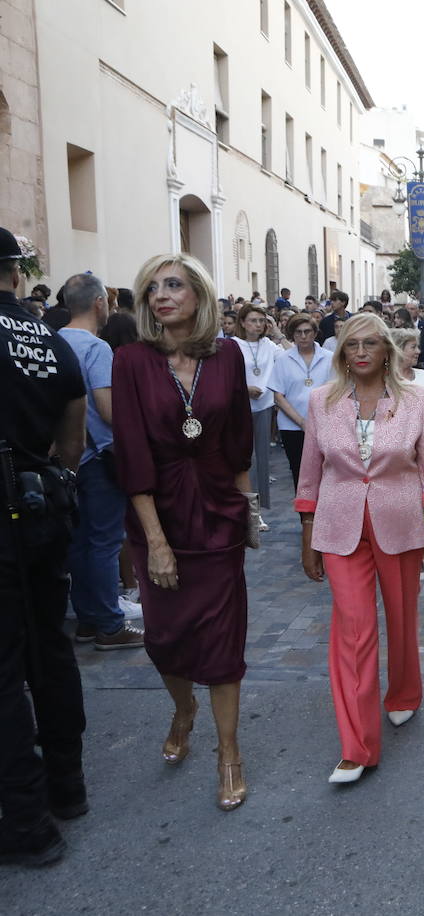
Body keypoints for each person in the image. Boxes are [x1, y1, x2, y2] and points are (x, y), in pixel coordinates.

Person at [111, 252, 259, 811]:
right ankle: (183, 709)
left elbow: (238, 439)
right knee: (164, 640)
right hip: (160, 511)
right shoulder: (129, 360)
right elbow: (132, 452)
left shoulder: (227, 356)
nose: (161, 296)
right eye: (152, 288)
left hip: (218, 509)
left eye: (173, 285)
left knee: (223, 641)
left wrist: (247, 510)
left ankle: (229, 753)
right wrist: (155, 543)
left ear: (198, 294)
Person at [295, 314, 424, 784]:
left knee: (400, 615)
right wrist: (307, 531)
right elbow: (311, 469)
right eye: (351, 344)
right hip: (339, 526)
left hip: (399, 522)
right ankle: (357, 746)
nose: (360, 352)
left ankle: (403, 693)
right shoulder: (321, 400)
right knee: (354, 628)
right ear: (340, 352)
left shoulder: (418, 399)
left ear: (386, 351)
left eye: (370, 343)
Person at [0, 227, 88, 866]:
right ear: (13, 271)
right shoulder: (48, 339)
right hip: (42, 505)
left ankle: (26, 821)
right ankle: (68, 786)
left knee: (5, 671)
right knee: (51, 650)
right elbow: (74, 438)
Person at [55, 273, 144, 651]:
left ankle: (88, 620)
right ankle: (110, 623)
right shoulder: (97, 348)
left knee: (79, 542)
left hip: (66, 458)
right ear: (98, 304)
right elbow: (108, 410)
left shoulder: (53, 342)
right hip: (99, 457)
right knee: (105, 540)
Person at [269, 314, 335, 489]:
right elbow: (278, 396)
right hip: (292, 426)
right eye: (298, 332)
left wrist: (317, 420)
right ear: (292, 334)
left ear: (315, 333)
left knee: (327, 471)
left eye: (307, 331)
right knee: (299, 472)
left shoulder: (330, 358)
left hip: (325, 424)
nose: (303, 336)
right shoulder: (283, 359)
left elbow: (335, 391)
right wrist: (302, 422)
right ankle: (305, 515)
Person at [235, 303, 279, 519]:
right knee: (245, 458)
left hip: (264, 405)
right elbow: (225, 377)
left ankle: (259, 509)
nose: (258, 325)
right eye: (253, 320)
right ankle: (247, 509)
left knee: (262, 458)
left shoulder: (269, 344)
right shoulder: (232, 345)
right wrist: (244, 388)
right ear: (242, 322)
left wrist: (278, 332)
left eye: (262, 321)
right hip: (239, 407)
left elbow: (291, 355)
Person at [388, 328, 424, 397]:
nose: (418, 351)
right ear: (399, 349)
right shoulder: (386, 379)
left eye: (418, 347)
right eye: (413, 347)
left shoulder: (423, 376)